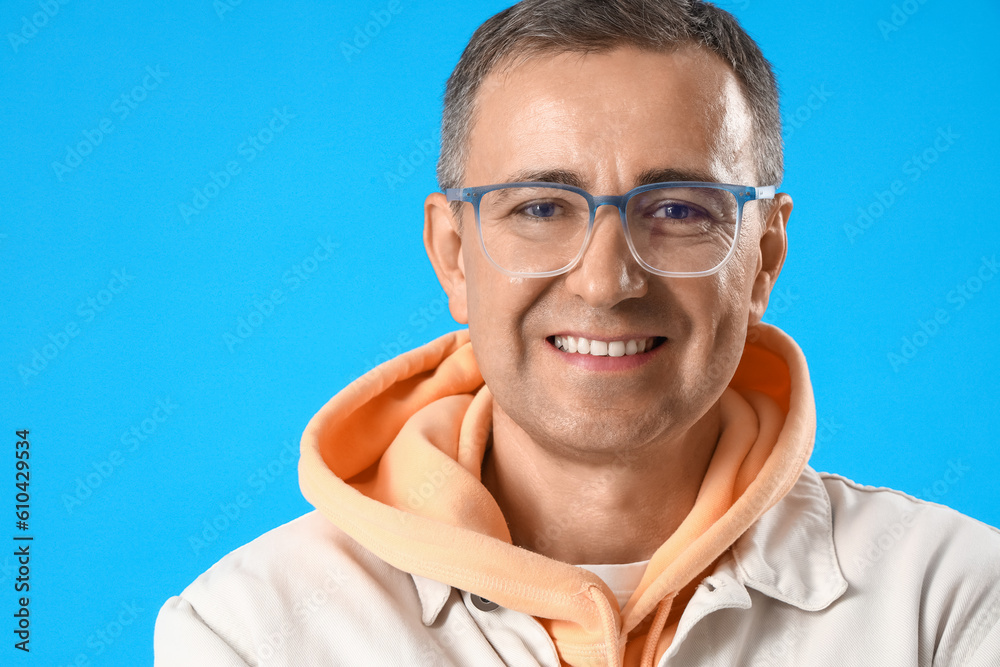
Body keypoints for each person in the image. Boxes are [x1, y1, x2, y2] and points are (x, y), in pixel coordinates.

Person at [153, 1, 1000, 665]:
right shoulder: (248, 632)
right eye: (541, 208)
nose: (605, 281)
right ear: (453, 254)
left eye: (676, 210)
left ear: (765, 254)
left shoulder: (953, 602)